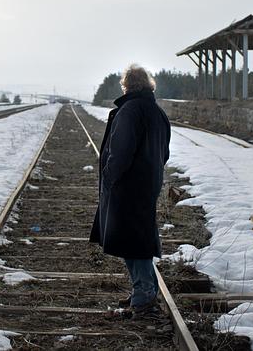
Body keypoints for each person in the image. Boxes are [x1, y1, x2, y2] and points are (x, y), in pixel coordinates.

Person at [89, 64, 171, 319]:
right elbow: (165, 152)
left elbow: (120, 152)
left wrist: (109, 178)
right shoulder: (157, 112)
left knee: (134, 243)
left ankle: (144, 297)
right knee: (135, 239)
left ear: (126, 86)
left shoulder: (130, 110)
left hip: (127, 185)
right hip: (146, 183)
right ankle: (142, 291)